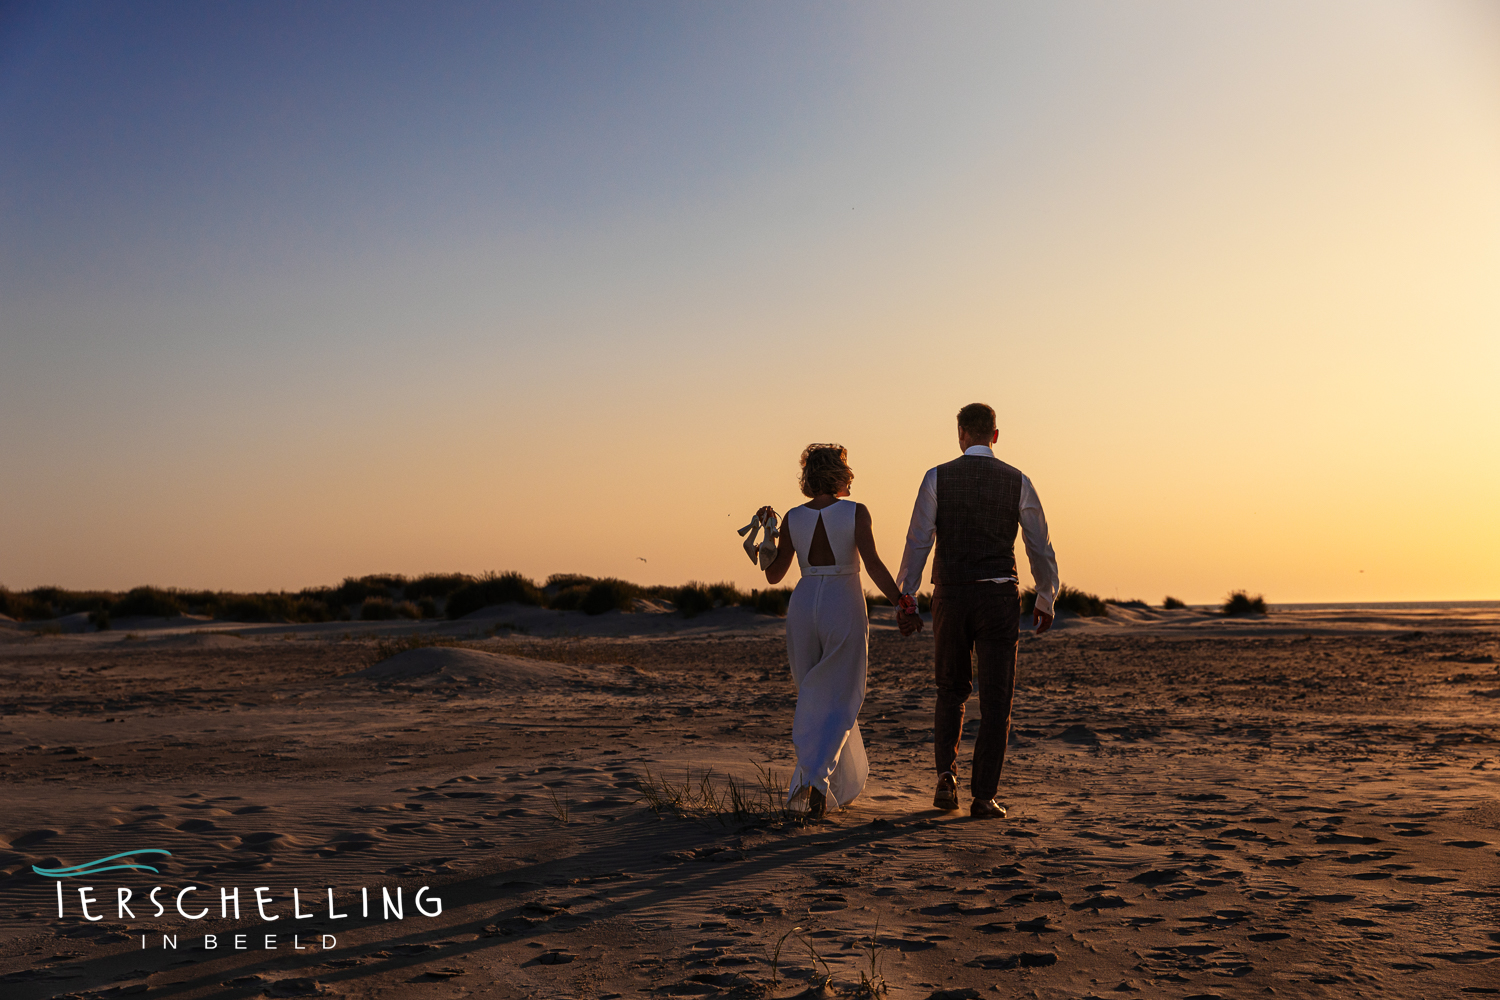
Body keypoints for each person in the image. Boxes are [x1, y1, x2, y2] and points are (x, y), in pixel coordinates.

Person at [895, 403, 1059, 819]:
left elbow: (918, 541)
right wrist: (1046, 596)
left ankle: (945, 777)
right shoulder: (1018, 480)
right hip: (999, 596)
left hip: (951, 594)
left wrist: (907, 596)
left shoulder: (936, 477)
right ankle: (983, 796)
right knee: (997, 699)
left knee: (950, 690)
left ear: (961, 434)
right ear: (995, 435)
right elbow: (1039, 544)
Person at [757, 444, 908, 818]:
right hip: (843, 601)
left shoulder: (794, 517)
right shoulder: (855, 512)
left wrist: (770, 535)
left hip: (804, 603)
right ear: (838, 475)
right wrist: (901, 602)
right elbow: (873, 564)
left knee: (813, 696)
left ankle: (815, 782)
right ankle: (816, 784)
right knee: (842, 696)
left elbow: (773, 576)